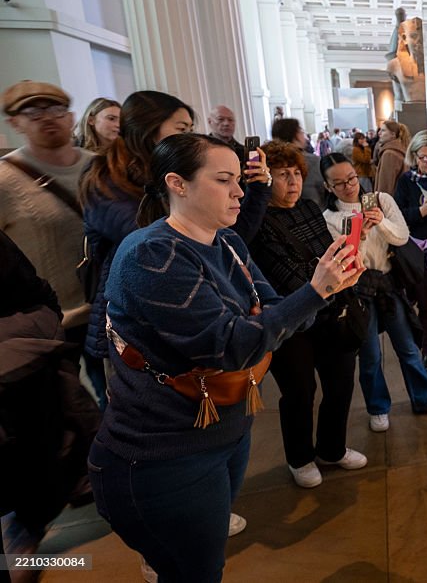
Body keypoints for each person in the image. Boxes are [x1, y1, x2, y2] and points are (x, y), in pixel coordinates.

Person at [88, 133, 362, 582]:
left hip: (226, 432)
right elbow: (230, 346)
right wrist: (314, 293)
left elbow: (278, 314)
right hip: (164, 454)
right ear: (177, 183)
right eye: (223, 180)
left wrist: (302, 303)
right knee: (196, 571)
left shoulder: (227, 242)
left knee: (205, 561)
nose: (240, 191)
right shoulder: (151, 253)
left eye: (239, 178)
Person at [80, 91, 271, 408]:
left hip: (200, 298)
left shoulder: (178, 183)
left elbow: (231, 236)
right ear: (147, 128)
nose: (190, 136)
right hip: (142, 316)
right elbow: (158, 246)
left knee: (219, 402)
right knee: (161, 404)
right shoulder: (106, 176)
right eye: (180, 129)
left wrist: (257, 189)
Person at [249, 141, 367, 489]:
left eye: (297, 174)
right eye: (283, 175)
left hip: (331, 311)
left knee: (341, 383)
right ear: (267, 179)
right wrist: (322, 277)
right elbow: (279, 271)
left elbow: (326, 253)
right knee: (300, 391)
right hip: (290, 319)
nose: (293, 182)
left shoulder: (310, 208)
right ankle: (299, 458)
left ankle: (332, 448)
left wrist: (340, 268)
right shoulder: (255, 222)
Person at [321, 153, 427, 433]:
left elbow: (402, 236)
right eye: (339, 183)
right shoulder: (330, 218)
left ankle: (425, 397)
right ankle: (378, 407)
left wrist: (379, 222)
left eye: (352, 178)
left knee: (407, 347)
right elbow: (347, 261)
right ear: (328, 187)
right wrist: (361, 236)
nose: (349, 186)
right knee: (370, 356)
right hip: (359, 289)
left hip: (389, 284)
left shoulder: (381, 200)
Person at [0, 230, 101, 573]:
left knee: (33, 451)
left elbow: (35, 294)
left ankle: (26, 529)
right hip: (22, 361)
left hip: (18, 369)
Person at [1, 81, 95, 355]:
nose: (47, 118)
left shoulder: (99, 166)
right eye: (32, 112)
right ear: (15, 122)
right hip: (47, 322)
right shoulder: (5, 181)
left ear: (71, 117)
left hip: (105, 310)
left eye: (55, 108)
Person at [394, 132, 427, 373]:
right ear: (414, 156)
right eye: (424, 157)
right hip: (410, 251)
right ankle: (413, 345)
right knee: (408, 304)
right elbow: (399, 216)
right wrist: (422, 212)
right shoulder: (406, 181)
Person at [271, 117, 324, 208]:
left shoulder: (271, 161)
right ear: (296, 135)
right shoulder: (312, 161)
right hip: (314, 210)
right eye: (301, 131)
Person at [373, 119, 410, 196]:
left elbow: (385, 185)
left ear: (393, 134)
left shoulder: (389, 154)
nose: (379, 133)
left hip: (389, 202)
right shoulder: (399, 149)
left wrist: (381, 204)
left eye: (383, 130)